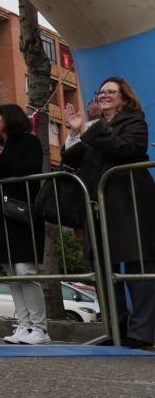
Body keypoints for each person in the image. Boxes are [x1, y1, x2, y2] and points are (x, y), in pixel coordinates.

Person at [64, 77, 155, 350]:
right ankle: (115, 328)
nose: (103, 95)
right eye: (101, 91)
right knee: (104, 269)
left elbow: (125, 149)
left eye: (110, 92)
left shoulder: (135, 121)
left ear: (124, 98)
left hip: (130, 205)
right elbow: (71, 158)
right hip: (99, 207)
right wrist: (75, 133)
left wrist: (93, 129)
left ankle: (143, 332)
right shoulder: (96, 128)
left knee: (138, 268)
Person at [0, 104, 49, 344]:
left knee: (25, 271)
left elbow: (29, 169)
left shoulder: (29, 141)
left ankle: (40, 328)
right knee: (12, 273)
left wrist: (0, 160)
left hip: (22, 213)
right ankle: (24, 325)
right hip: (0, 213)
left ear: (8, 119)